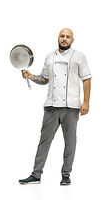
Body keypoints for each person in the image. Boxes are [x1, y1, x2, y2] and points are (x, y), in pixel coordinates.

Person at [19, 28, 92, 185]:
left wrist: (86, 102)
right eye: (62, 36)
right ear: (58, 38)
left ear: (72, 40)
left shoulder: (79, 56)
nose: (64, 39)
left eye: (67, 37)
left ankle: (66, 174)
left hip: (71, 106)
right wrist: (31, 76)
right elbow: (45, 79)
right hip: (51, 105)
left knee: (70, 141)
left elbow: (86, 79)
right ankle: (36, 174)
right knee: (44, 141)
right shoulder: (50, 57)